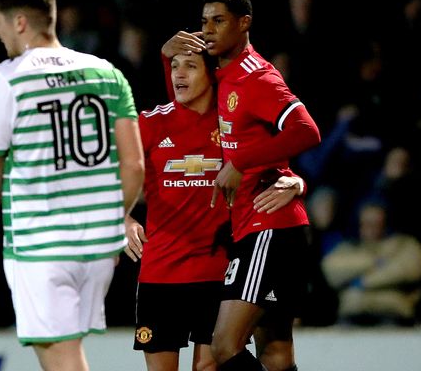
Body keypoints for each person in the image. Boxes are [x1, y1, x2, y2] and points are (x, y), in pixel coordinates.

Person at [0, 0, 144, 371]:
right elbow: (134, 165)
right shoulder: (107, 74)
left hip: (42, 244)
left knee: (60, 359)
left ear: (20, 23)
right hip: (95, 247)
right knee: (67, 353)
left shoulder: (7, 76)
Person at [124, 43, 306, 371]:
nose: (179, 73)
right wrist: (120, 218)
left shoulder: (234, 126)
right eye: (174, 66)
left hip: (217, 270)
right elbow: (106, 172)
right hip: (160, 272)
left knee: (210, 366)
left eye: (191, 66)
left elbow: (279, 167)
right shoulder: (149, 123)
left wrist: (297, 183)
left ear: (212, 74)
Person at [199, 0, 321, 371]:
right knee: (275, 352)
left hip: (268, 226)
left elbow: (306, 131)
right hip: (259, 226)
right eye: (205, 21)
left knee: (224, 345)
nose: (209, 30)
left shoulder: (257, 77)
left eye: (219, 21)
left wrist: (241, 162)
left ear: (244, 23)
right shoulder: (221, 74)